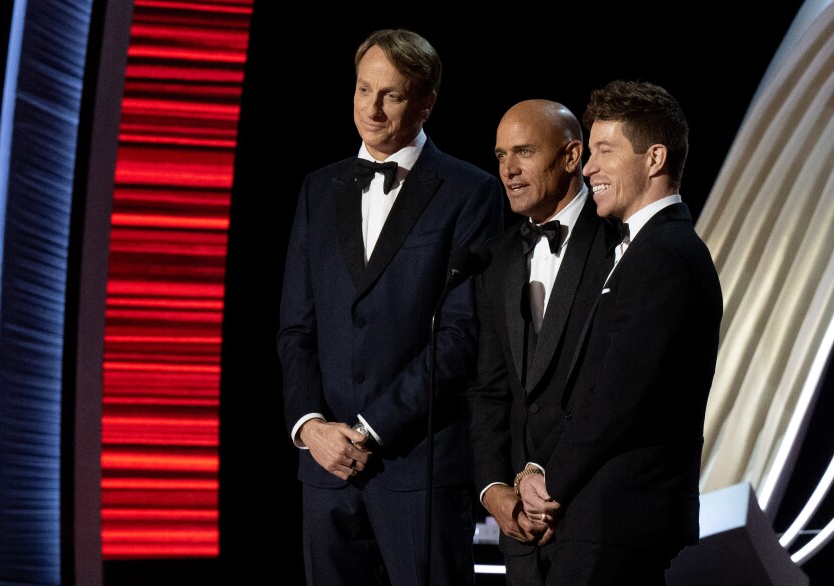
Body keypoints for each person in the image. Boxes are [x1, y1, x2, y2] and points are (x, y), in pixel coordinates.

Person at [276, 28, 505, 586]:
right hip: (325, 469)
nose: (372, 110)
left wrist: (369, 428)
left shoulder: (471, 192)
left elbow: (461, 337)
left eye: (392, 95)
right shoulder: (317, 189)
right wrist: (311, 428)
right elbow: (296, 329)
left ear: (427, 103)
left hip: (418, 469)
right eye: (363, 90)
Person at [518, 80, 724, 585]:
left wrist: (550, 482)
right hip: (606, 514)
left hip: (619, 516)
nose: (588, 169)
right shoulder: (643, 248)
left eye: (604, 152)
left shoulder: (665, 255)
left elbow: (617, 394)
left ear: (654, 158)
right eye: (589, 153)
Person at [467, 99, 614, 585]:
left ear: (572, 156)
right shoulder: (496, 258)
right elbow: (491, 388)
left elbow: (612, 389)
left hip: (594, 518)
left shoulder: (622, 242)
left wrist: (552, 490)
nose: (508, 170)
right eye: (500, 155)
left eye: (524, 152)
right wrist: (496, 491)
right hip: (520, 533)